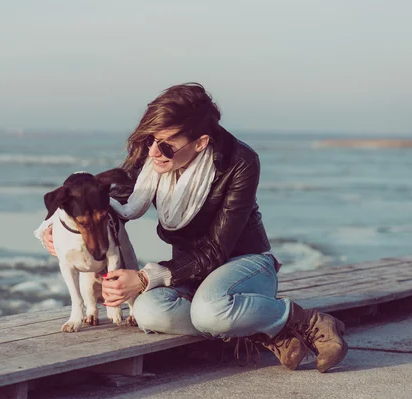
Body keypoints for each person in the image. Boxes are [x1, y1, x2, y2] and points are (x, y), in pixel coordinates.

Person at [41, 82, 348, 372]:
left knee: (210, 311)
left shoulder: (240, 162)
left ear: (200, 142)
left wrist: (146, 276)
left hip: (243, 263)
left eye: (167, 146)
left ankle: (302, 320)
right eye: (150, 140)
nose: (152, 153)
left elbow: (216, 249)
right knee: (149, 312)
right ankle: (259, 332)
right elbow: (106, 202)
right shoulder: (152, 155)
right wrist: (55, 226)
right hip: (188, 269)